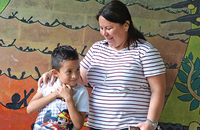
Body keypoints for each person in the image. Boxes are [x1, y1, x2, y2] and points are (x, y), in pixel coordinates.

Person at [38, 0, 166, 130]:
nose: (104, 33)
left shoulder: (145, 51)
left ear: (126, 25)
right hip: (96, 125)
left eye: (109, 28)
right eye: (101, 28)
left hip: (130, 125)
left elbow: (158, 90)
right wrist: (55, 73)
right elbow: (79, 78)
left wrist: (151, 122)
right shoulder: (97, 49)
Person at [27, 45, 89, 130]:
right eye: (69, 71)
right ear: (55, 73)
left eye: (77, 70)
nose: (74, 76)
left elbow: (78, 125)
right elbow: (30, 109)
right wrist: (56, 94)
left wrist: (68, 98)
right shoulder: (48, 85)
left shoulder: (81, 91)